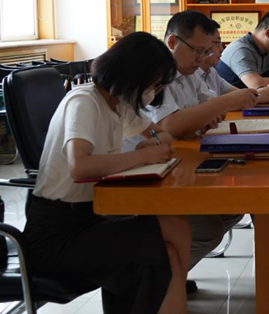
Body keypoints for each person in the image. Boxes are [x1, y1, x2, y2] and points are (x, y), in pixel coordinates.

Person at [23, 32, 190, 314]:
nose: (154, 91)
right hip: (55, 235)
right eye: (153, 83)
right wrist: (142, 155)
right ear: (132, 75)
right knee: (167, 245)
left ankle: (173, 301)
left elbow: (162, 134)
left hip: (90, 218)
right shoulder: (84, 102)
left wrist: (152, 144)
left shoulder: (117, 104)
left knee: (173, 232)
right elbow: (80, 166)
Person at [132, 11, 254, 284]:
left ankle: (169, 275)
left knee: (233, 206)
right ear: (172, 42)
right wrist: (218, 106)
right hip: (146, 174)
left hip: (175, 162)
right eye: (198, 51)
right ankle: (153, 284)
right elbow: (170, 126)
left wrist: (206, 114)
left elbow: (208, 110)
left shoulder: (190, 72)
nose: (202, 59)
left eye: (207, 51)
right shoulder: (156, 77)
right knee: (207, 229)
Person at [198, 25, 269, 104]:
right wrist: (258, 96)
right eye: (217, 42)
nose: (221, 49)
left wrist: (263, 93)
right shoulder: (193, 74)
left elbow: (238, 93)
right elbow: (209, 105)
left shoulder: (211, 71)